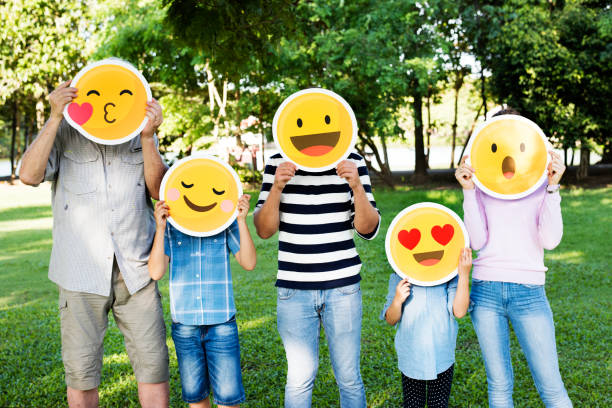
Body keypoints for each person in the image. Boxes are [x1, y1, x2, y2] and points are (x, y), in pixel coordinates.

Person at [19, 78, 170, 408]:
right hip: (79, 273)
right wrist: (55, 116)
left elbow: (160, 191)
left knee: (154, 369)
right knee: (82, 375)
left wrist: (148, 138)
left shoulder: (140, 130)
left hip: (137, 271)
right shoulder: (65, 130)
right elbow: (28, 175)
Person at [455, 109, 572, 408]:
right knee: (499, 386)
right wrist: (469, 191)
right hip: (485, 292)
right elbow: (477, 241)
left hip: (529, 292)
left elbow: (550, 240)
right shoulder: (482, 185)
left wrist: (553, 187)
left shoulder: (541, 184)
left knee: (551, 385)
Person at [253, 153, 380, 408]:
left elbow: (368, 228)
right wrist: (276, 187)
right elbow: (264, 230)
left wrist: (356, 186)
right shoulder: (278, 161)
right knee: (298, 379)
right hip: (293, 289)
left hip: (343, 288)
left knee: (349, 377)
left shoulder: (352, 160)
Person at [148, 194, 256, 408]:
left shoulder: (225, 223)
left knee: (228, 399)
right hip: (186, 327)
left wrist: (242, 221)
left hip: (221, 324)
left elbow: (249, 262)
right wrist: (160, 228)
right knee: (197, 398)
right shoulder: (171, 227)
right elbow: (156, 272)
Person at [382, 248, 473, 408]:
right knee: (412, 404)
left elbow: (459, 312)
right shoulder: (399, 275)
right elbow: (390, 319)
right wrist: (397, 300)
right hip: (411, 357)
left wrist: (464, 275)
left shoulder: (448, 275)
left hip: (441, 357)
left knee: (438, 404)